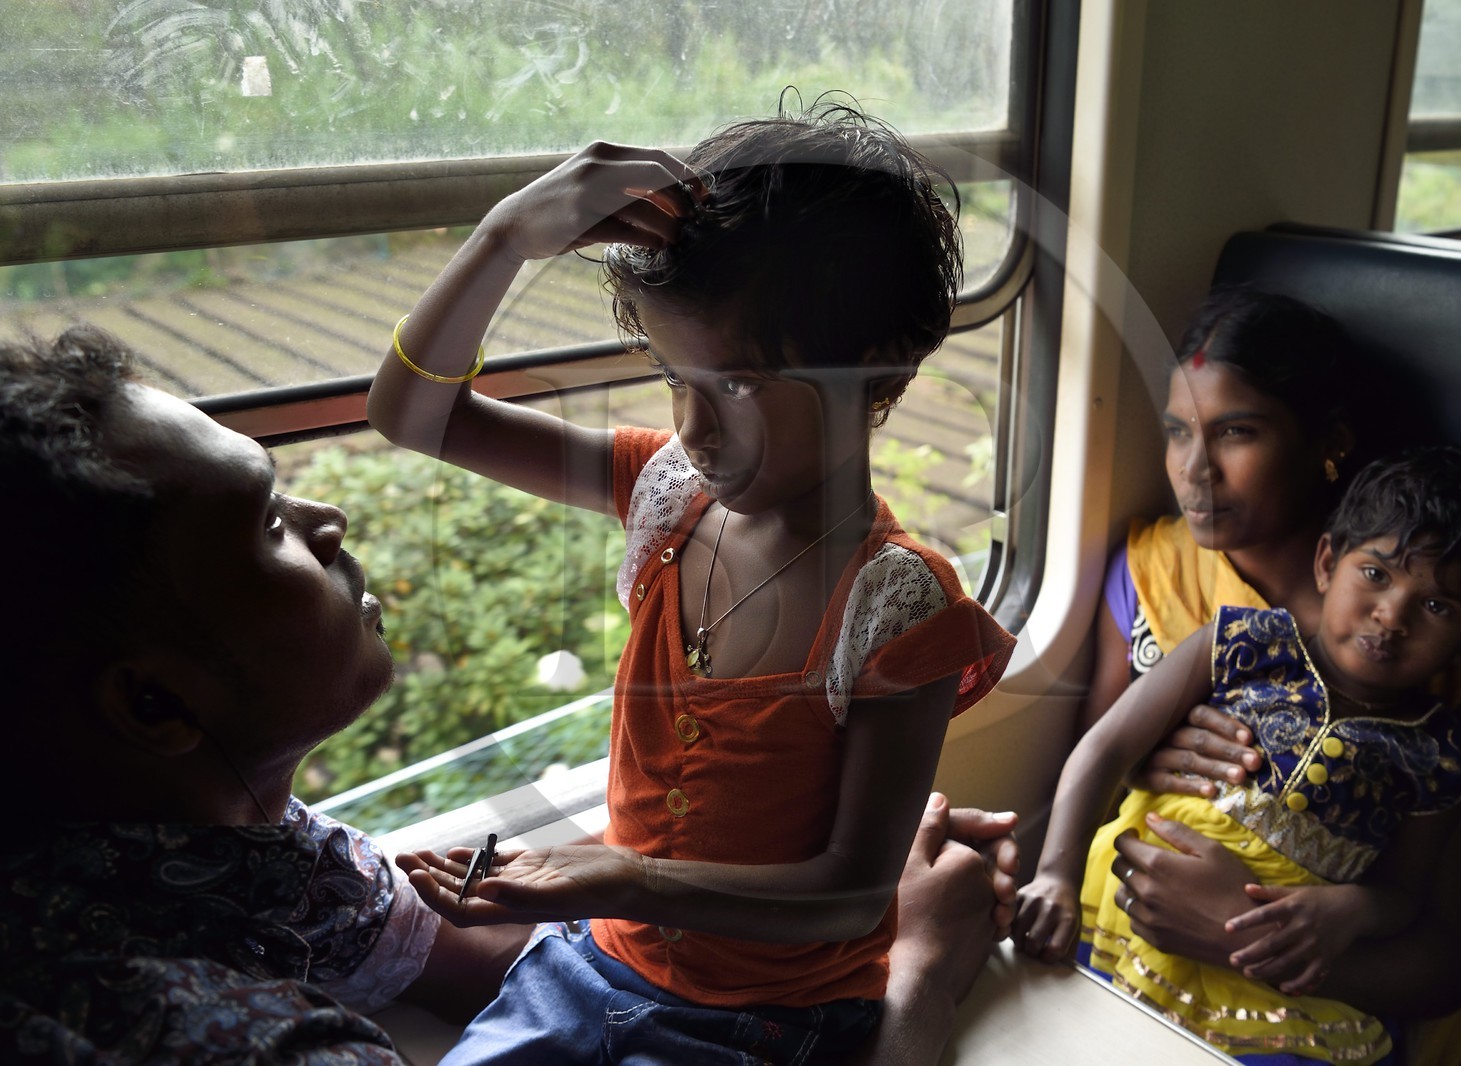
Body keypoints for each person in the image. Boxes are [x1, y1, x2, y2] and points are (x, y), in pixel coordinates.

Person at [0, 326, 1017, 1065]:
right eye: (268, 525)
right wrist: (919, 961)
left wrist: (786, 873)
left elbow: (448, 953)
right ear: (150, 705)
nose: (329, 513)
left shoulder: (228, 856)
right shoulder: (238, 1041)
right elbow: (424, 408)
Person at [366, 99, 1016, 1063]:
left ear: (878, 376)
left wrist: (620, 877)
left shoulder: (895, 608)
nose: (697, 429)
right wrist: (509, 236)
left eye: (742, 386)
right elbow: (414, 415)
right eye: (676, 375)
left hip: (767, 1023)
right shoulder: (665, 495)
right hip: (585, 968)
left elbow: (849, 894)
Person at [1083, 287, 1461, 1066]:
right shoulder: (1148, 574)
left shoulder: (1437, 658)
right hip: (1130, 937)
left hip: (1304, 1005)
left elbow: (1442, 962)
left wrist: (1248, 938)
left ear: (1327, 445)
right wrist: (1150, 760)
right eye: (1177, 432)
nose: (1196, 470)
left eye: (1237, 434)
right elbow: (1094, 767)